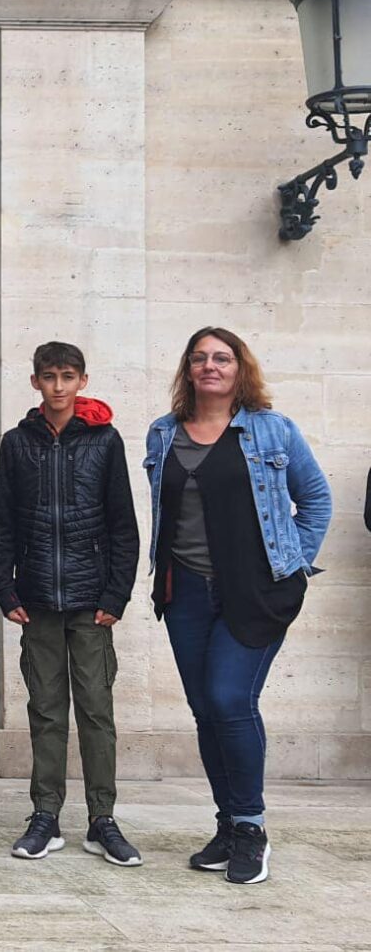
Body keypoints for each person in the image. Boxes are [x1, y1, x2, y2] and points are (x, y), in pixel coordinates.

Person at [144, 327, 332, 885]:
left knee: (230, 698)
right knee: (206, 708)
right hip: (186, 593)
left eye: (221, 358)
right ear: (188, 370)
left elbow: (315, 498)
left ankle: (251, 828)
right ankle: (227, 824)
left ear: (239, 368)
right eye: (199, 358)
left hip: (255, 590)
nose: (210, 366)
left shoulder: (272, 430)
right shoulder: (162, 433)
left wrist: (294, 567)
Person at [0, 341, 141, 866]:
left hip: (91, 601)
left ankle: (103, 820)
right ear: (34, 382)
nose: (58, 386)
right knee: (46, 713)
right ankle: (45, 816)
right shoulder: (16, 443)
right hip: (36, 599)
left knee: (97, 712)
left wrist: (116, 594)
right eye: (49, 376)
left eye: (68, 376)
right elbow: (2, 522)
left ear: (82, 380)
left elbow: (123, 522)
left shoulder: (104, 440)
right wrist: (4, 588)